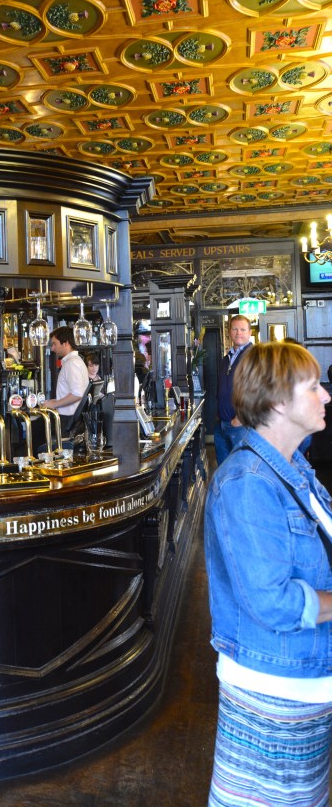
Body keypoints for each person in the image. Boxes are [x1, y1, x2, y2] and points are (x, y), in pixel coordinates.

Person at [204, 341, 332, 807]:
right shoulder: (247, 482)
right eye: (314, 386)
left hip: (305, 681)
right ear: (278, 402)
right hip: (275, 691)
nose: (326, 396)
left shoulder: (294, 467)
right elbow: (271, 602)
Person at [214, 314, 253, 465]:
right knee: (224, 472)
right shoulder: (227, 358)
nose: (238, 333)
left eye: (243, 329)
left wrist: (240, 418)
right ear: (229, 332)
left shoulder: (253, 356)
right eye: (235, 329)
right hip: (222, 424)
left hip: (241, 425)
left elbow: (256, 390)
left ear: (250, 332)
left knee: (242, 471)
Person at [43, 326, 89, 434]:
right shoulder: (75, 361)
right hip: (74, 418)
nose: (52, 348)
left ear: (66, 343)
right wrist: (56, 401)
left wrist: (55, 404)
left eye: (55, 344)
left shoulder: (71, 363)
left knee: (66, 450)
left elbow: (77, 394)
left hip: (70, 419)